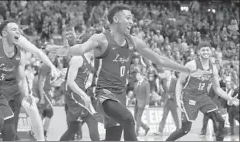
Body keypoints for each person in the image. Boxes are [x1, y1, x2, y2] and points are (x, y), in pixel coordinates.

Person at [54, 4, 213, 141]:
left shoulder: (134, 41)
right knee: (129, 120)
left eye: (132, 18)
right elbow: (81, 48)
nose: (132, 21)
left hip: (119, 95)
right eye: (128, 18)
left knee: (113, 138)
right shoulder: (101, 39)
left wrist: (188, 70)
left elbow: (160, 60)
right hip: (101, 93)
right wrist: (65, 50)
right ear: (116, 19)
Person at [0, 20, 58, 141]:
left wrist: (51, 66)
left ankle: (40, 139)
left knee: (25, 111)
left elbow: (36, 54)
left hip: (6, 87)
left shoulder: (18, 47)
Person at [166, 42, 239, 141]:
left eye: (207, 50)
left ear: (211, 52)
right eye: (203, 50)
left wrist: (229, 98)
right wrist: (178, 99)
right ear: (198, 52)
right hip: (189, 97)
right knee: (185, 130)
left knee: (220, 120)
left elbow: (217, 88)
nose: (205, 52)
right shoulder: (191, 65)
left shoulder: (213, 68)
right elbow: (180, 83)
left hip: (202, 96)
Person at [60, 51, 100, 141]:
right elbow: (70, 82)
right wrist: (84, 96)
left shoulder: (90, 62)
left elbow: (86, 82)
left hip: (78, 93)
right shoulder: (78, 58)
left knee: (73, 128)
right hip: (73, 94)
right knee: (92, 119)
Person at [154, 71, 180, 136]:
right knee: (164, 116)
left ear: (170, 74)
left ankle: (178, 129)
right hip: (166, 101)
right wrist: (162, 97)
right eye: (165, 74)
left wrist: (172, 96)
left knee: (175, 116)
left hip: (173, 101)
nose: (165, 75)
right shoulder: (163, 80)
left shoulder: (175, 80)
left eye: (166, 74)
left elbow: (178, 90)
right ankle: (160, 131)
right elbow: (164, 90)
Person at [132, 71, 150, 136]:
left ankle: (136, 132)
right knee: (135, 117)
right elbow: (134, 93)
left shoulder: (146, 83)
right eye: (136, 76)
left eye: (139, 75)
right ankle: (146, 128)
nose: (137, 77)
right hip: (137, 103)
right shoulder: (136, 83)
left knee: (138, 117)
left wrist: (147, 104)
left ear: (142, 76)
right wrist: (129, 99)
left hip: (142, 103)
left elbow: (148, 94)